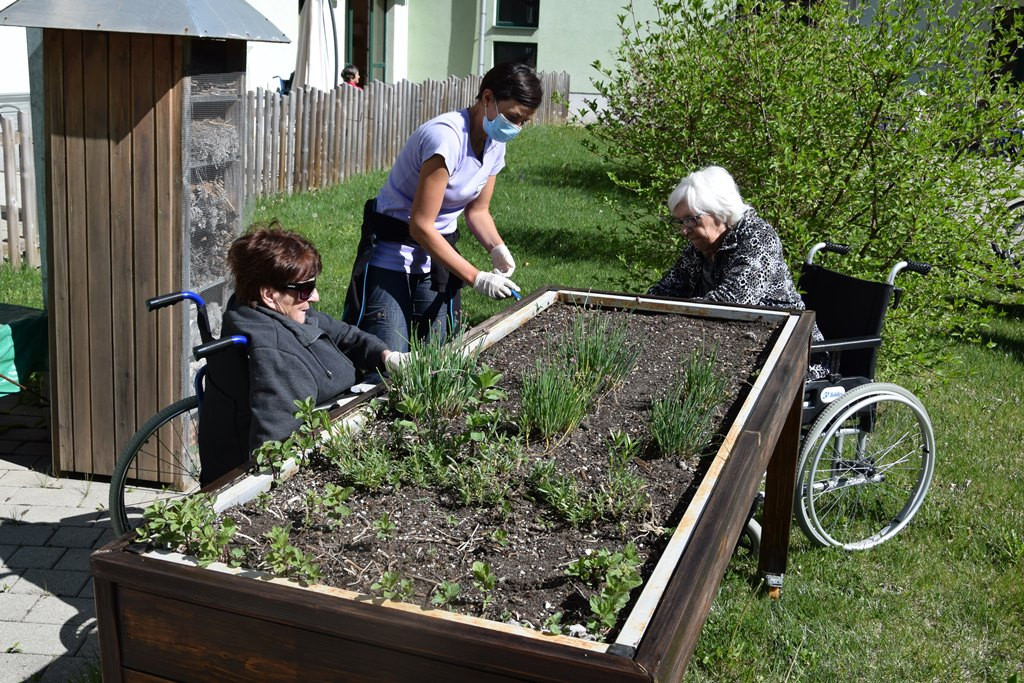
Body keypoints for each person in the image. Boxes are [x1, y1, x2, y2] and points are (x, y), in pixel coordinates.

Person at [342, 62, 542, 376]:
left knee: (439, 364)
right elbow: (421, 225)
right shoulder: (445, 138)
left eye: (523, 121)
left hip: (437, 257)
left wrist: (497, 248)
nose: (516, 127)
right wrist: (476, 277)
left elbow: (478, 211)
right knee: (387, 366)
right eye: (513, 117)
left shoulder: (495, 144)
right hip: (392, 254)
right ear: (487, 98)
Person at [198, 225, 408, 485]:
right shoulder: (274, 353)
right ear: (269, 294)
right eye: (306, 288)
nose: (315, 296)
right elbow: (274, 447)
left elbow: (344, 333)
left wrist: (385, 355)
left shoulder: (280, 310)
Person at [647, 165, 827, 378]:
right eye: (680, 221)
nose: (683, 230)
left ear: (720, 212)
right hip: (734, 347)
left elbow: (734, 302)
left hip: (788, 354)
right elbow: (665, 290)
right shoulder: (699, 249)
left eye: (691, 219)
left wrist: (672, 319)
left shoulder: (759, 238)